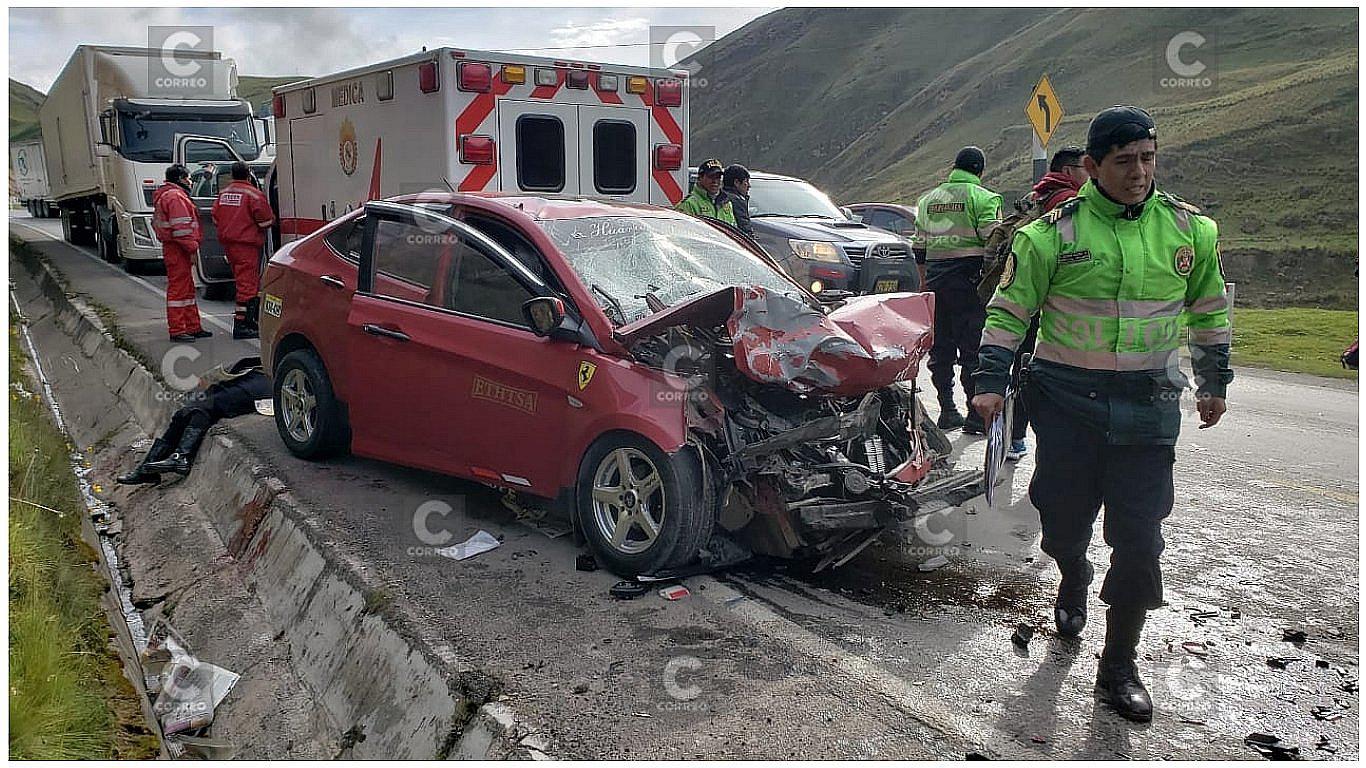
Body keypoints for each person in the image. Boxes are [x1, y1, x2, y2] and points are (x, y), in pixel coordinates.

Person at [971, 106, 1233, 722]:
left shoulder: (1191, 231)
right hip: (1066, 404)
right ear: (1092, 166)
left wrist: (1213, 380)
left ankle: (1118, 664)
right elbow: (1008, 313)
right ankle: (1073, 573)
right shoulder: (1049, 235)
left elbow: (1210, 311)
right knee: (1062, 521)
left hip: (1149, 407)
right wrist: (986, 382)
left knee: (1140, 539)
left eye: (1148, 158)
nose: (1140, 172)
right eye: (1124, 162)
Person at [1007, 146, 1090, 461]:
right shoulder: (1067, 202)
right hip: (1050, 303)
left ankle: (1014, 436)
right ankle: (1039, 444)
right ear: (1069, 171)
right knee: (1043, 373)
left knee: (1023, 368)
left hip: (1027, 297)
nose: (1091, 175)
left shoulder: (1037, 195)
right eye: (1085, 168)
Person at [913, 146, 1002, 433]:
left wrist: (924, 285)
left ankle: (947, 410)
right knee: (972, 349)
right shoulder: (984, 198)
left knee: (941, 349)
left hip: (937, 281)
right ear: (979, 171)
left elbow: (919, 249)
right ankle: (975, 416)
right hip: (970, 282)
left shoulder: (927, 200)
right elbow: (994, 242)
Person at [117, 358, 270, 484]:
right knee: (185, 412)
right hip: (255, 371)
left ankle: (180, 457)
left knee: (208, 405)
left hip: (267, 379)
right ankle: (148, 467)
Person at [211, 162, 274, 340]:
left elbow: (216, 217)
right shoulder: (253, 194)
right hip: (246, 245)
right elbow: (266, 220)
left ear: (232, 175)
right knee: (247, 286)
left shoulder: (223, 193)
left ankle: (248, 321)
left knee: (242, 281)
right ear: (248, 175)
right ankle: (242, 324)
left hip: (229, 245)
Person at [152, 164, 210, 342]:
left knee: (186, 289)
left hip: (177, 248)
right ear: (180, 179)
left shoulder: (170, 195)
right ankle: (178, 329)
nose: (190, 181)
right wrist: (192, 247)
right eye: (188, 178)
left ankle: (192, 326)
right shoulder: (176, 197)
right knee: (179, 290)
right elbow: (181, 229)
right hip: (179, 249)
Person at [676, 158, 737, 226]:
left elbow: (733, 229)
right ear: (700, 178)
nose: (715, 181)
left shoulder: (726, 203)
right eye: (711, 177)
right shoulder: (689, 204)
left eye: (718, 177)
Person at [721, 163, 753, 235]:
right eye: (746, 181)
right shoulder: (736, 200)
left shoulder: (720, 197)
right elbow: (744, 229)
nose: (749, 186)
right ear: (736, 182)